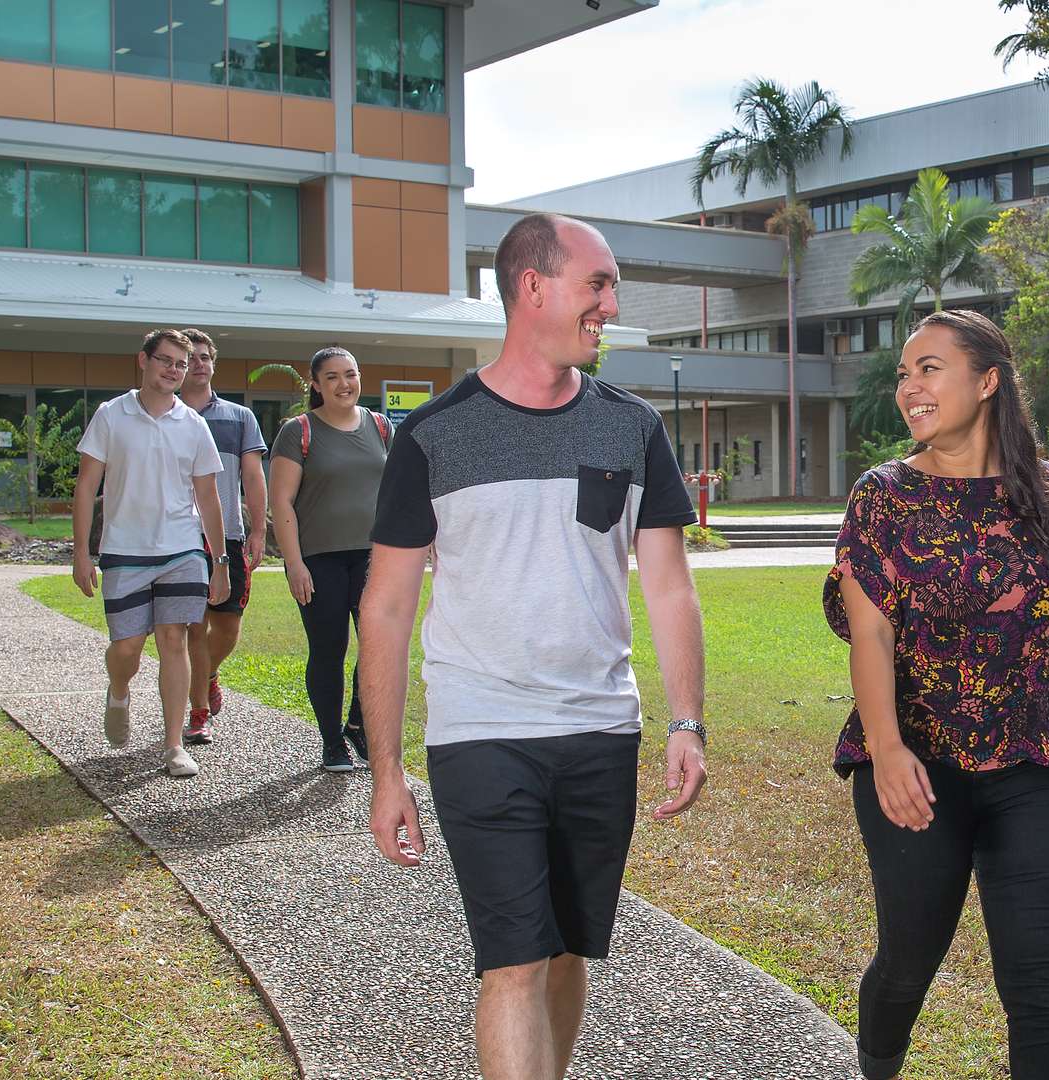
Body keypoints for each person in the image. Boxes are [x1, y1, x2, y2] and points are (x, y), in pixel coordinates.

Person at [360, 213, 709, 1080]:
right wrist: (385, 771)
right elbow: (388, 607)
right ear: (533, 287)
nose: (610, 306)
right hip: (481, 732)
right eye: (598, 284)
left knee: (563, 955)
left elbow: (668, 585)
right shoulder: (433, 435)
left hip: (599, 728)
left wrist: (687, 721)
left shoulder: (632, 428)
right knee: (511, 960)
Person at [825, 309, 1049, 1080]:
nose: (910, 387)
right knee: (908, 961)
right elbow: (871, 636)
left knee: (1041, 989)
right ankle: (876, 1066)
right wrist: (889, 750)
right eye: (904, 373)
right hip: (916, 768)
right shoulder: (884, 497)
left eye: (929, 368)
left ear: (987, 380)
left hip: (1033, 765)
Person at [71, 329, 231, 778]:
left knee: (173, 641)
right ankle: (119, 689)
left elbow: (208, 495)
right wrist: (81, 552)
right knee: (126, 647)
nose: (174, 370)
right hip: (124, 548)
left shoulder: (193, 424)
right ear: (143, 360)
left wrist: (219, 562)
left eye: (181, 364)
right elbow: (87, 485)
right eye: (166, 360)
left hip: (182, 549)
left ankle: (174, 744)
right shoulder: (110, 415)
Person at [269, 347, 390, 772]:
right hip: (318, 559)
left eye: (351, 374)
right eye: (333, 377)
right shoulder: (298, 431)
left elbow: (392, 492)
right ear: (316, 385)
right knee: (329, 649)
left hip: (373, 556)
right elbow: (281, 501)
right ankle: (331, 741)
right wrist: (294, 562)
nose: (345, 384)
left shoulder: (380, 426)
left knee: (378, 644)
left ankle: (358, 724)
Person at [178, 329, 267, 745]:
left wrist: (259, 529)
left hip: (228, 535)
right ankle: (198, 712)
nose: (197, 363)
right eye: (189, 357)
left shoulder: (239, 417)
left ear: (213, 363)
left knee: (227, 628)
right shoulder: (165, 414)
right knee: (194, 627)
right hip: (179, 536)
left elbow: (253, 475)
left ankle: (209, 675)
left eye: (203, 357)